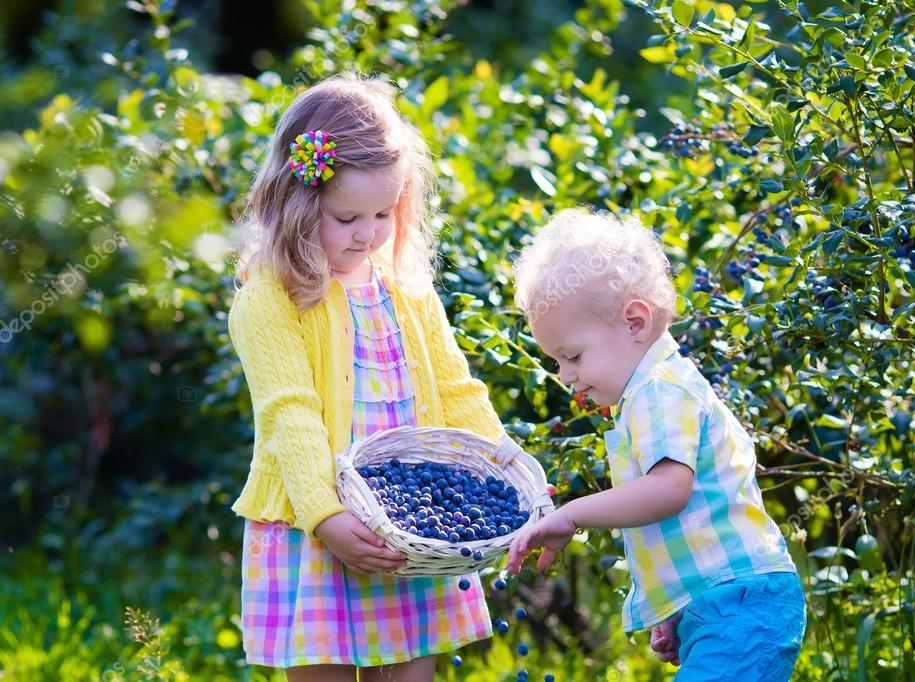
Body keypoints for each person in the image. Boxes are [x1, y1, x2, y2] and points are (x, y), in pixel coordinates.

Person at [228, 73, 506, 681]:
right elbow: (289, 414)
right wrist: (326, 517)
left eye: (384, 212)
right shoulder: (273, 298)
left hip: (407, 523)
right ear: (297, 206)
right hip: (317, 524)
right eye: (346, 216)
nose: (368, 233)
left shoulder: (404, 288)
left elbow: (457, 389)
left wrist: (505, 466)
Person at [507, 208, 806, 680]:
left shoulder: (660, 390)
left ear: (634, 323)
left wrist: (573, 512)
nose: (565, 376)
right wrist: (676, 609)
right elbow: (692, 524)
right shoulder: (646, 395)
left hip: (741, 606)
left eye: (573, 356)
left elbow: (669, 491)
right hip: (726, 603)